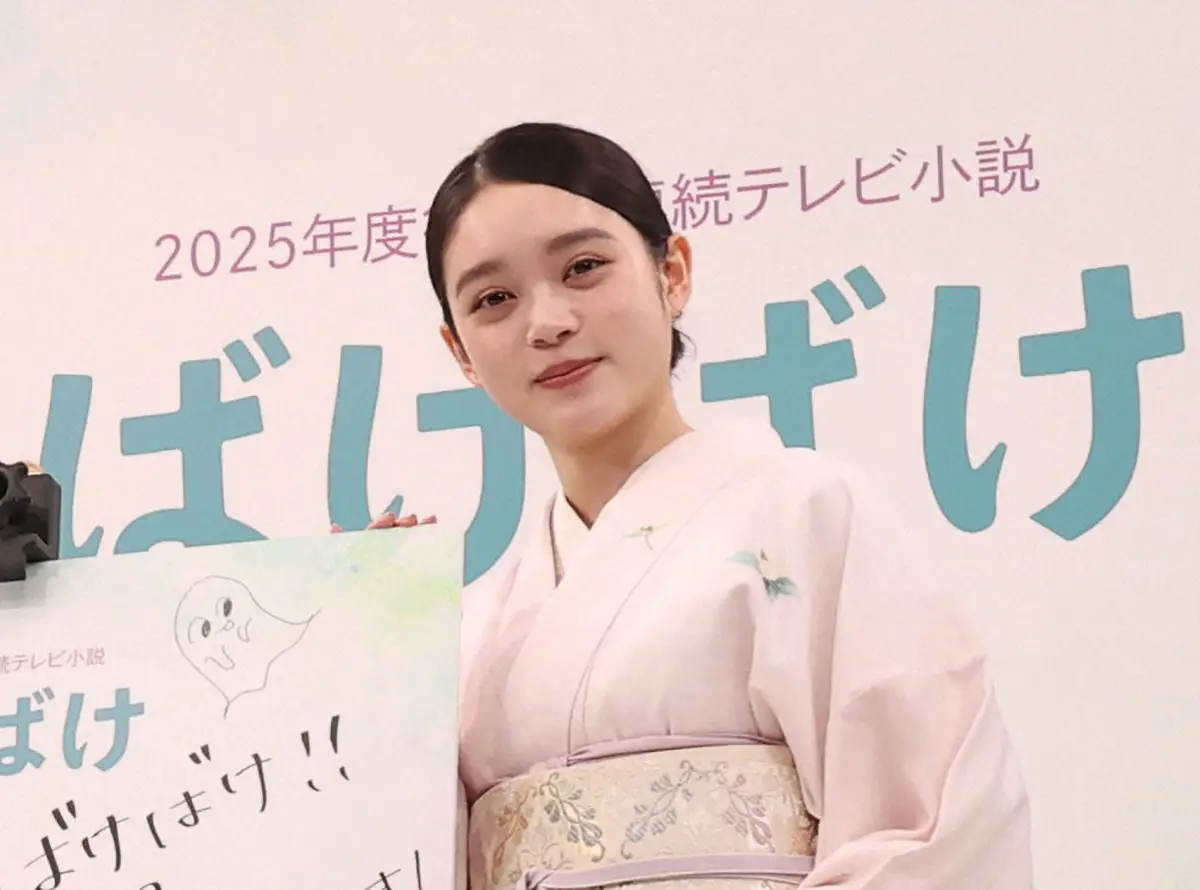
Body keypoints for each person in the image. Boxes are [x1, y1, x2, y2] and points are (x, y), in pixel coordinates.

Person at [362, 122, 1033, 890]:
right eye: (494, 299)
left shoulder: (807, 514)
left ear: (672, 273)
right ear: (460, 352)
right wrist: (364, 665)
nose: (547, 322)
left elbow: (931, 831)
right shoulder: (469, 629)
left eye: (583, 268)